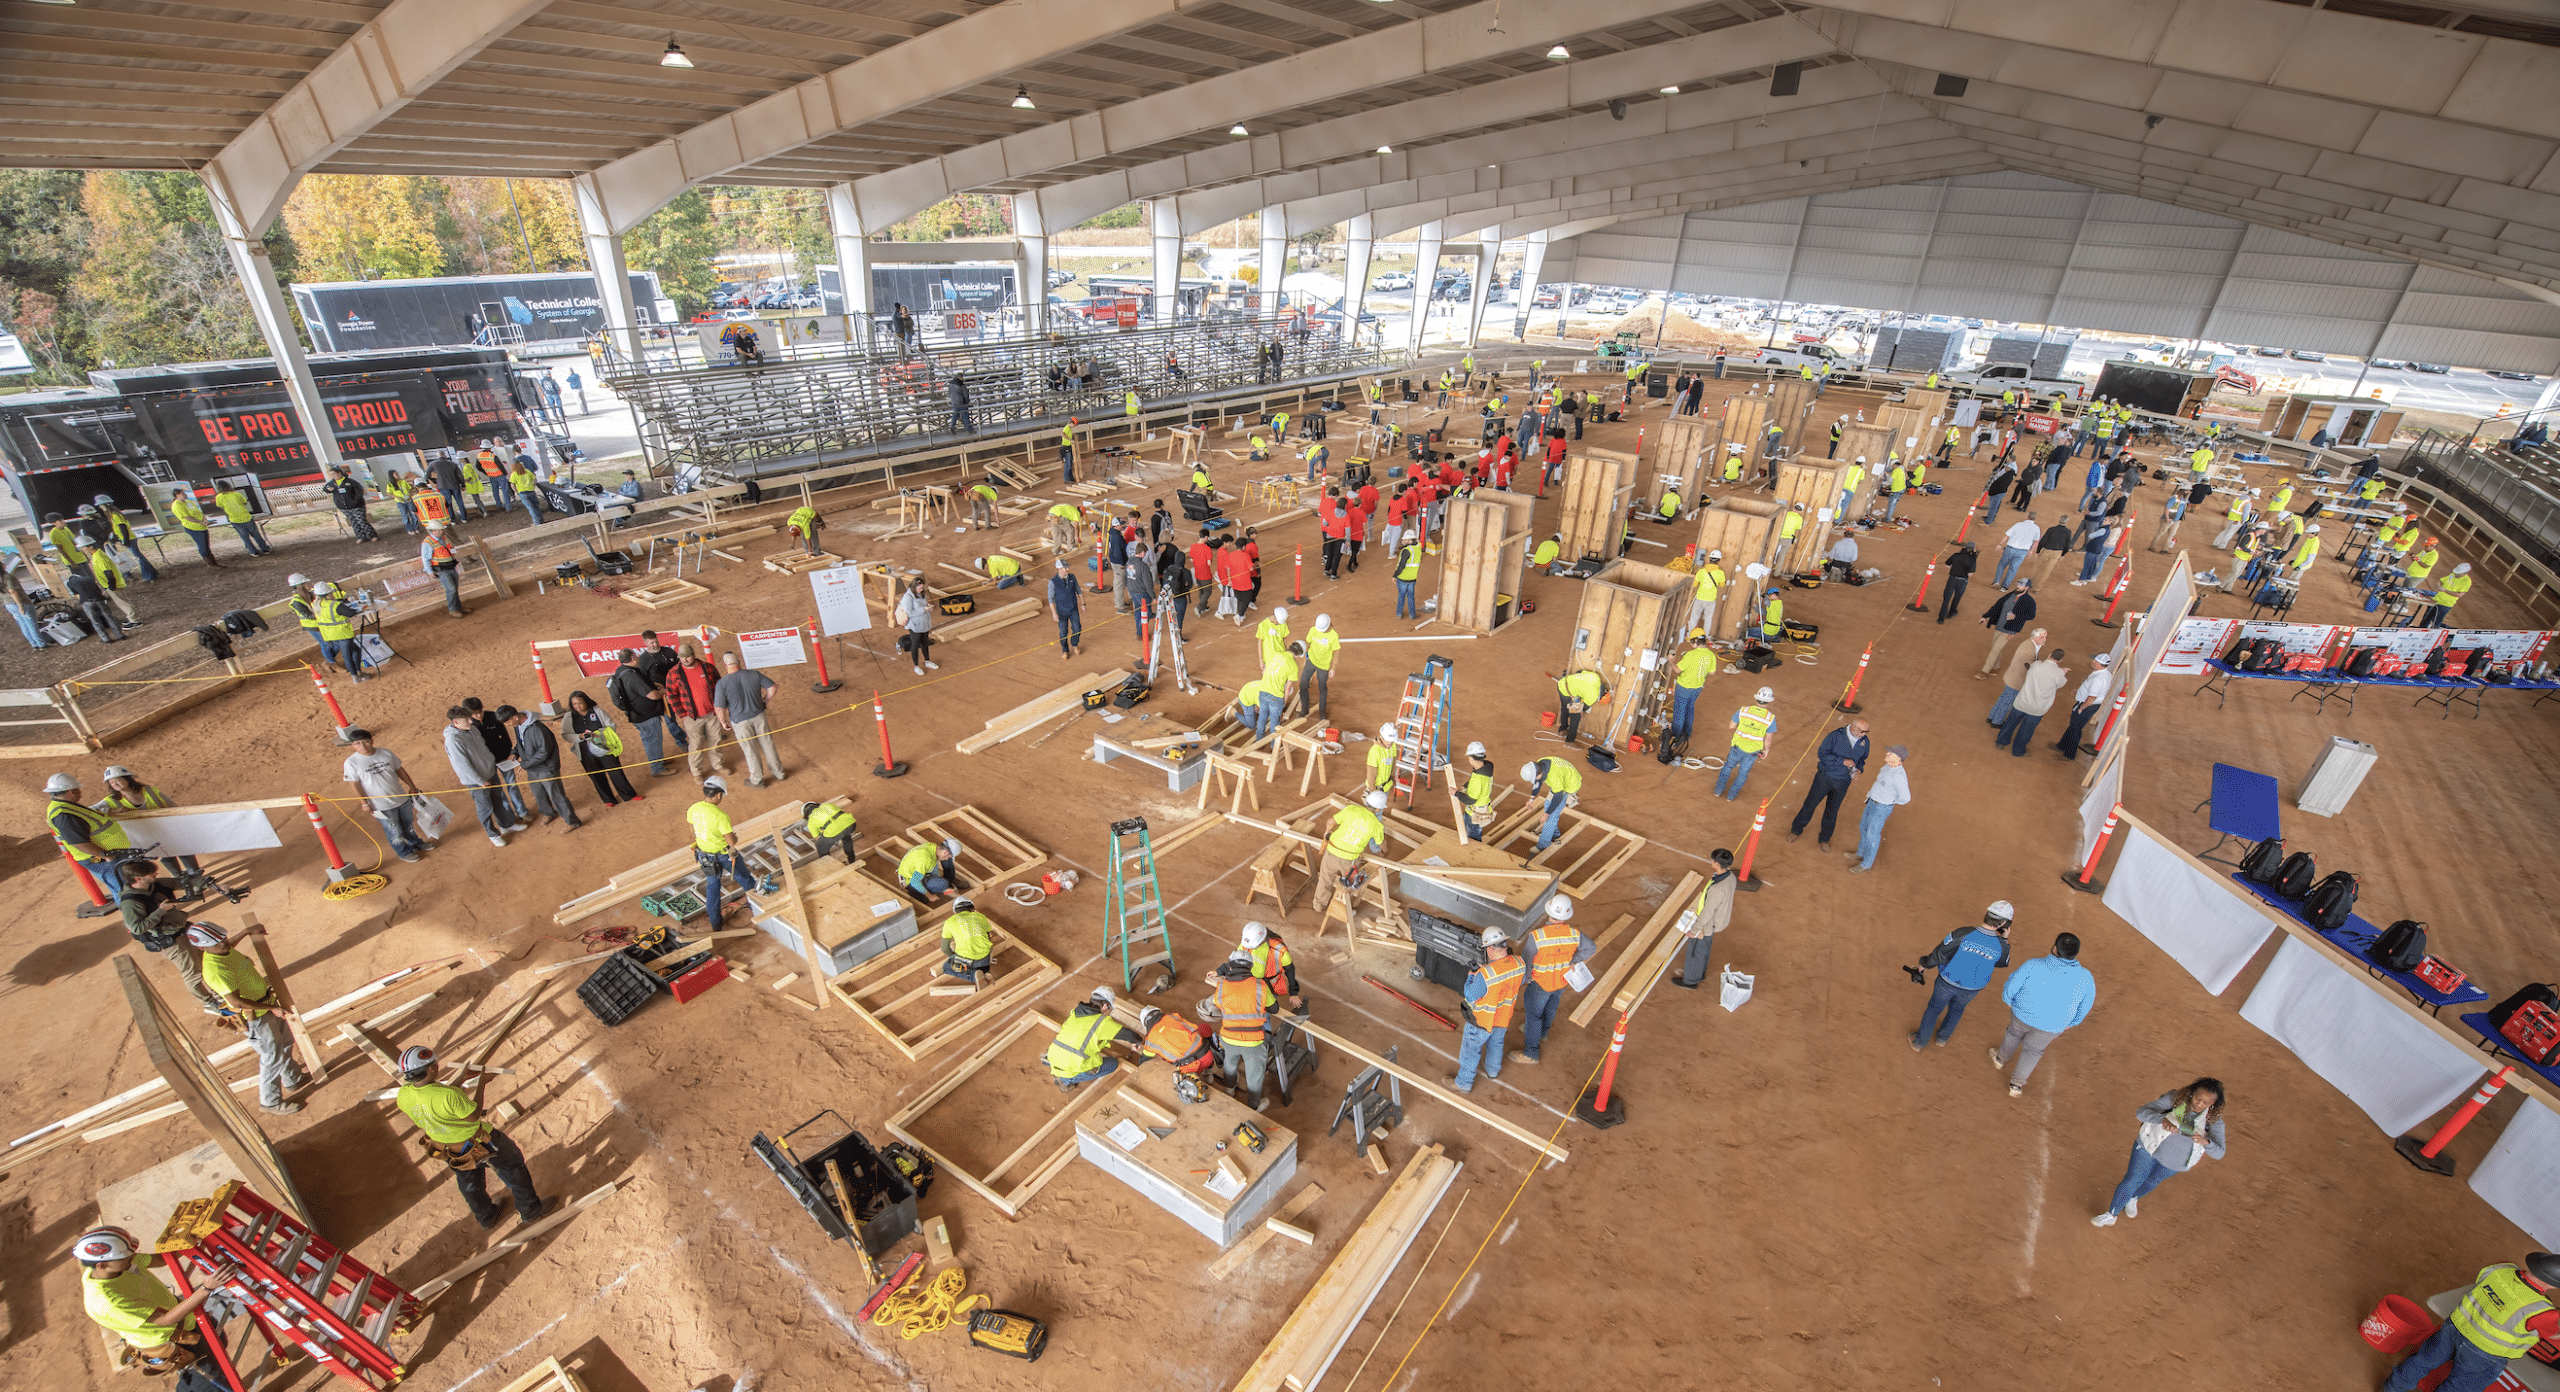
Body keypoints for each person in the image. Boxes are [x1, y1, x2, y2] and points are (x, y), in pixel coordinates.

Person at [74, 1224, 271, 1392]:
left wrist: (193, 1241)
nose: (133, 1256)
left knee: (218, 1342)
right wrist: (206, 1288)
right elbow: (166, 1320)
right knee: (211, 1378)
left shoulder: (118, 1265)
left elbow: (161, 1259)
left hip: (183, 1318)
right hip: (171, 1338)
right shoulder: (107, 1301)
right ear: (102, 1265)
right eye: (126, 1255)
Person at [395, 1046, 548, 1228]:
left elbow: (438, 1101)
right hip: (480, 1141)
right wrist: (482, 1083)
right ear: (431, 1068)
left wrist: (461, 1079)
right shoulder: (448, 1095)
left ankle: (486, 1216)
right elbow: (473, 1115)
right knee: (512, 1167)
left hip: (448, 1146)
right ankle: (530, 1209)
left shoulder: (403, 1094)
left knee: (469, 1181)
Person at [2381, 1253, 2560, 1392]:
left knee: (2423, 1361)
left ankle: (2391, 1388)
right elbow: (2553, 1335)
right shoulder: (2543, 1311)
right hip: (2484, 1354)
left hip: (2455, 1327)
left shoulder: (2502, 1269)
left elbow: (2482, 1283)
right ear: (2553, 1285)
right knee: (2458, 1388)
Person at [186, 922, 309, 1113]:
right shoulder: (215, 971)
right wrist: (270, 1008)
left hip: (267, 1005)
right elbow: (236, 1002)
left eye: (224, 939)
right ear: (202, 948)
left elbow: (228, 947)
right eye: (218, 943)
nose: (224, 944)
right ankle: (270, 1102)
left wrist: (245, 931)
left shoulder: (221, 949)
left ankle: (292, 1079)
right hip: (256, 1016)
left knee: (285, 1042)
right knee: (271, 1056)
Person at [2091, 1079, 2229, 1228]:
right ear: (2191, 1092)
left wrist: (2206, 1143)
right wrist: (2162, 1119)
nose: (2200, 1104)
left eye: (2206, 1103)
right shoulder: (2176, 1099)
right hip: (2148, 1146)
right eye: (2198, 1098)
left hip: (2176, 1162)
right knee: (2133, 1179)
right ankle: (2111, 1214)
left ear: (2213, 1104)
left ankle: (2133, 1198)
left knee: (2151, 1182)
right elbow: (2141, 1112)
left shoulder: (2213, 1122)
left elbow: (2219, 1153)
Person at [1991, 932, 2097, 1097]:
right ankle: (2016, 1085)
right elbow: (2085, 1005)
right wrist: (2072, 1023)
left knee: (2012, 1034)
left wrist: (2008, 999)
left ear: (2055, 948)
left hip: (2021, 1014)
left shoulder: (2033, 964)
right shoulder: (2086, 978)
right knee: (2033, 1052)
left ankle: (1999, 1059)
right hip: (2052, 1026)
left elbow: (2013, 983)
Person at [114, 859, 223, 1014]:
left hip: (183, 928)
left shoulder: (154, 884)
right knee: (193, 974)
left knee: (206, 962)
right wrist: (160, 911)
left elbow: (181, 882)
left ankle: (219, 994)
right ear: (138, 879)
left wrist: (212, 885)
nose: (156, 875)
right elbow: (137, 928)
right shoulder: (131, 902)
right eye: (152, 874)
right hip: (171, 941)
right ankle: (209, 1004)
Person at [1909, 901, 2010, 1047]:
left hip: (1947, 982)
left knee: (1934, 1009)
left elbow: (1940, 953)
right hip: (1972, 988)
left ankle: (1919, 1043)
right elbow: (2002, 962)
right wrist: (2004, 939)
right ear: (2004, 923)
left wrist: (1924, 965)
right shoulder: (2000, 945)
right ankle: (1942, 1039)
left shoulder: (1963, 933)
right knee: (1957, 1010)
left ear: (1986, 914)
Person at [1514, 896, 1597, 1065]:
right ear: (1567, 916)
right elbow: (1591, 948)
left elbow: (1526, 963)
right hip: (1562, 981)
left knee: (1533, 1017)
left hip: (1540, 984)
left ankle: (1531, 1053)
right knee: (1551, 1007)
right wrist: (1574, 961)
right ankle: (1543, 1033)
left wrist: (1525, 980)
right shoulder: (1574, 934)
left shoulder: (1537, 937)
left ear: (1549, 912)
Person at [1449, 928, 1522, 1094]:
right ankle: (1492, 1071)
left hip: (1481, 1022)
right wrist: (1487, 971)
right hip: (1503, 1018)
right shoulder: (1519, 963)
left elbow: (1470, 995)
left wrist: (1472, 976)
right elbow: (1511, 979)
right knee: (1496, 1043)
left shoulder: (1485, 974)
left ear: (1489, 949)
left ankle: (1464, 1083)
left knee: (1470, 1051)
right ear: (1505, 945)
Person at [341, 730, 428, 861]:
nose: (363, 746)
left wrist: (412, 787)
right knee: (394, 831)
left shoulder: (386, 752)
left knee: (408, 825)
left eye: (365, 742)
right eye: (357, 743)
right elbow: (355, 784)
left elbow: (400, 770)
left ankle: (416, 843)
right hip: (381, 805)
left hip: (401, 798)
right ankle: (403, 852)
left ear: (372, 741)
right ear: (353, 745)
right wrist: (364, 803)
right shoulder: (351, 762)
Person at [444, 706, 524, 846]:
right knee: (485, 807)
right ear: (455, 722)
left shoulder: (472, 728)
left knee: (499, 799)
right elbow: (462, 765)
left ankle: (507, 825)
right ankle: (492, 834)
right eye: (466, 719)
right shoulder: (453, 740)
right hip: (477, 781)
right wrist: (480, 781)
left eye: (470, 717)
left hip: (490, 772)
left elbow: (483, 748)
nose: (470, 721)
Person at [1310, 791, 1387, 934]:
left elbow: (1331, 822)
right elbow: (1381, 843)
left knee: (1325, 879)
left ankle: (1318, 905)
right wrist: (1385, 849)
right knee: (1354, 883)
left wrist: (1327, 833)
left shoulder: (1352, 809)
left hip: (1331, 851)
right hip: (1349, 859)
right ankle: (1345, 908)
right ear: (1378, 809)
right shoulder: (1376, 825)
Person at [1788, 717, 1868, 851]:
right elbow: (1822, 754)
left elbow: (1862, 760)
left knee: (1832, 812)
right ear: (1854, 728)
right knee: (1809, 805)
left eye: (1865, 732)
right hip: (1824, 778)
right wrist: (1842, 761)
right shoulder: (1835, 736)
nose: (1863, 735)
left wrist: (1859, 769)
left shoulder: (1864, 742)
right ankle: (1796, 830)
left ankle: (1824, 839)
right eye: (1861, 732)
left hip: (1843, 782)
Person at [1209, 957, 1279, 1109]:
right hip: (1253, 1042)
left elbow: (1217, 1004)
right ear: (1250, 967)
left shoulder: (1221, 985)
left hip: (1228, 1037)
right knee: (1254, 1074)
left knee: (1230, 1062)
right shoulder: (1260, 985)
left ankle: (1229, 1090)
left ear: (1231, 968)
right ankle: (1254, 1105)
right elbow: (1275, 1009)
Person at [712, 651, 783, 786]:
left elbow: (719, 708)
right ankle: (779, 773)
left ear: (725, 664)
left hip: (740, 722)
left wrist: (723, 721)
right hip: (759, 715)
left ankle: (757, 780)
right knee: (768, 744)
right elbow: (772, 688)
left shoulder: (722, 684)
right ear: (739, 662)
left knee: (750, 750)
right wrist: (765, 700)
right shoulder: (754, 674)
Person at [505, 705, 581, 831]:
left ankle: (572, 821)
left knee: (556, 795)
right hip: (533, 768)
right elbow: (521, 743)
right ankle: (548, 813)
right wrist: (515, 752)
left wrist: (525, 764)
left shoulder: (538, 729)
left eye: (508, 722)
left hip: (546, 768)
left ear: (515, 717)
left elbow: (544, 752)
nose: (507, 725)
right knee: (538, 793)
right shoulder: (517, 725)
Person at [1849, 744, 1910, 873]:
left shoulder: (1899, 776)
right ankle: (1860, 853)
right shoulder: (1887, 766)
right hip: (1872, 802)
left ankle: (1866, 864)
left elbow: (1905, 798)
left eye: (1891, 754)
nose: (1887, 754)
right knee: (1863, 827)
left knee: (1872, 835)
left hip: (1881, 808)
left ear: (1898, 759)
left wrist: (1889, 802)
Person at [1997, 648, 2069, 757]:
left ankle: (2001, 742)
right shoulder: (2059, 673)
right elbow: (2059, 684)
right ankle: (2018, 750)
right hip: (2038, 708)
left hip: (2022, 702)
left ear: (2050, 655)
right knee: (2026, 730)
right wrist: (2063, 672)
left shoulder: (2036, 665)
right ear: (2060, 660)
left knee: (2010, 722)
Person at [1712, 687, 1777, 801]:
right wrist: (1766, 749)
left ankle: (1718, 791)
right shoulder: (1770, 718)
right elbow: (1769, 737)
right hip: (1753, 751)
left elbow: (1731, 726)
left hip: (1737, 746)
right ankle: (1730, 797)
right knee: (1743, 773)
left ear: (1756, 697)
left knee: (1728, 766)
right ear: (1769, 701)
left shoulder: (1743, 710)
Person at [1987, 626, 2049, 727]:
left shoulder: (2031, 644)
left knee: (2003, 698)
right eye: (2042, 638)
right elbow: (2029, 665)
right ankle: (1996, 722)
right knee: (2007, 701)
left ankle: (1992, 717)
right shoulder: (2029, 648)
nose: (2045, 639)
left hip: (2012, 677)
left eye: (2045, 637)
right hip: (2016, 680)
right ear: (2035, 637)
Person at [1521, 754, 1584, 851]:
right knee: (1548, 806)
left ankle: (1543, 844)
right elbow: (1538, 782)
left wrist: (1547, 814)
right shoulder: (1540, 764)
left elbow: (1557, 798)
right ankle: (1555, 834)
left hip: (1570, 784)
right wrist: (1532, 799)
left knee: (1551, 816)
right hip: (1562, 778)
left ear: (1538, 774)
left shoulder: (1554, 777)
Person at [1241, 920, 1305, 1016]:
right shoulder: (1249, 942)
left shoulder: (1279, 951)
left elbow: (1290, 971)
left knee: (1264, 1009)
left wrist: (1293, 992)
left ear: (1261, 940)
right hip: (1250, 980)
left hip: (1269, 984)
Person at [2055, 654, 2113, 759]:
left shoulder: (2098, 679)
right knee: (2073, 726)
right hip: (2088, 704)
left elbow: (2092, 698)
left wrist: (2081, 708)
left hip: (2086, 706)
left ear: (2099, 665)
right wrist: (2079, 691)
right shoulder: (2105, 673)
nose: (2092, 663)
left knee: (2075, 729)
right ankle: (2062, 745)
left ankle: (2069, 754)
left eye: (2095, 662)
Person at [1978, 584, 2038, 677]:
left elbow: (2031, 616)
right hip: (1999, 626)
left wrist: (2017, 616)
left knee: (1995, 649)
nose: (2018, 586)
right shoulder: (2010, 595)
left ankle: (1984, 671)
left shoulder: (2029, 601)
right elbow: (1997, 606)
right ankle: (1996, 667)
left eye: (2021, 585)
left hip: (2010, 630)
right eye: (2018, 584)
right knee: (1996, 648)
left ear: (2026, 588)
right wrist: (1985, 616)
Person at [1668, 633, 1717, 742]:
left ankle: (1676, 736)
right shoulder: (1711, 655)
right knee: (1690, 708)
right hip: (1698, 687)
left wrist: (1670, 660)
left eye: (1691, 642)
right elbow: (1712, 672)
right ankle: (1687, 734)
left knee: (1680, 710)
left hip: (1684, 686)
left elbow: (1677, 670)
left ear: (1695, 642)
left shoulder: (1690, 655)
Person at [896, 836, 966, 906]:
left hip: (915, 870)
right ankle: (914, 892)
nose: (947, 858)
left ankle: (946, 883)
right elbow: (915, 881)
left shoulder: (933, 848)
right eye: (949, 856)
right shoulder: (925, 860)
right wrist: (930, 896)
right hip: (909, 880)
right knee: (942, 884)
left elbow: (934, 870)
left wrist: (944, 887)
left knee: (943, 881)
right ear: (945, 852)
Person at [939, 896, 995, 982]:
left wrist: (955, 957)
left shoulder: (949, 922)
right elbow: (988, 937)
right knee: (982, 963)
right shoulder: (980, 916)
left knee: (947, 967)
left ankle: (973, 976)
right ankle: (985, 972)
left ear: (956, 912)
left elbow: (944, 948)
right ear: (972, 909)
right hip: (984, 958)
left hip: (966, 960)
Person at [210, 482, 272, 556]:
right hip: (246, 517)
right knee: (256, 534)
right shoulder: (236, 494)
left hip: (234, 519)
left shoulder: (218, 497)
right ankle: (265, 549)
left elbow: (220, 506)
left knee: (245, 537)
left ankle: (254, 552)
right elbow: (244, 502)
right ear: (229, 486)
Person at [420, 523, 467, 617]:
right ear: (432, 531)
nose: (439, 531)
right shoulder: (427, 543)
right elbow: (425, 559)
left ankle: (458, 608)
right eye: (436, 530)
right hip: (441, 570)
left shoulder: (444, 538)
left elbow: (451, 549)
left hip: (451, 567)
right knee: (451, 589)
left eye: (440, 529)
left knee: (454, 589)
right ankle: (453, 610)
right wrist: (430, 572)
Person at [894, 578, 938, 676]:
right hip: (914, 626)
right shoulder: (908, 597)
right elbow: (909, 613)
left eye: (922, 588)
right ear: (914, 587)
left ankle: (927, 662)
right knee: (915, 645)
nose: (921, 590)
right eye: (920, 588)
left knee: (925, 643)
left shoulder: (922, 594)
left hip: (924, 624)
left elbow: (925, 605)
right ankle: (916, 666)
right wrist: (923, 609)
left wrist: (929, 608)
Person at [1302, 614, 1339, 719]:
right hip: (1311, 661)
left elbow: (1336, 652)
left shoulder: (1333, 635)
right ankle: (1304, 708)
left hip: (1324, 666)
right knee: (1303, 683)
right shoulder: (1313, 630)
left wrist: (1333, 667)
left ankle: (1322, 712)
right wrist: (1306, 659)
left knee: (1322, 688)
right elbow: (1308, 643)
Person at [1555, 667, 1604, 744]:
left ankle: (1562, 730)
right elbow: (1584, 707)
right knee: (1575, 717)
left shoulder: (1595, 677)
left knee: (1565, 708)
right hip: (1568, 692)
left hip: (1562, 684)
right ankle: (1570, 741)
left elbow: (1579, 671)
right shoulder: (1593, 696)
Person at [1045, 558, 1083, 659]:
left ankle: (1075, 644)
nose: (1067, 569)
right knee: (1063, 632)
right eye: (1065, 568)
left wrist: (1083, 603)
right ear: (1059, 569)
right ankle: (1065, 650)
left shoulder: (1072, 577)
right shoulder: (1052, 582)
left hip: (1073, 609)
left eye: (1067, 567)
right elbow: (1051, 599)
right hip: (1061, 612)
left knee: (1077, 628)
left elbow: (1078, 590)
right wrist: (1054, 613)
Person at [2423, 561, 2474, 629]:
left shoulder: (2467, 582)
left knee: (2436, 622)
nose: (2455, 575)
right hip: (2435, 599)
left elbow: (2459, 595)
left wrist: (2445, 590)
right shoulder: (2452, 574)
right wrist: (2439, 584)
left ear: (2464, 573)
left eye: (2458, 574)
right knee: (2426, 619)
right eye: (2455, 573)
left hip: (2446, 604)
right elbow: (2441, 580)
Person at [1994, 513, 2039, 589]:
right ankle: (2004, 587)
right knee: (2013, 570)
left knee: (2001, 565)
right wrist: (2031, 551)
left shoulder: (2018, 524)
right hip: (2022, 552)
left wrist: (2000, 544)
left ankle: (1996, 581)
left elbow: (2007, 535)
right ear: (2035, 519)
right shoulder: (2036, 528)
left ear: (2027, 517)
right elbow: (2036, 541)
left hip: (2009, 549)